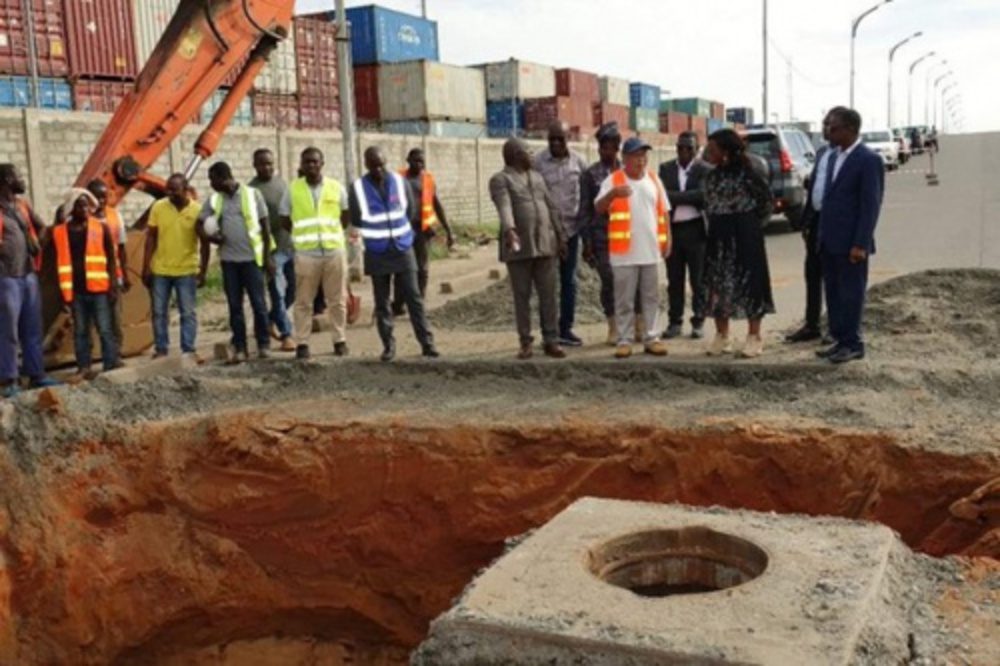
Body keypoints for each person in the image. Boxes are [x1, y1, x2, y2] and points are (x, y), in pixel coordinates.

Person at [349, 146, 438, 362]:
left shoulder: (399, 182)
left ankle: (427, 343)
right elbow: (356, 217)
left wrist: (398, 233)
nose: (378, 169)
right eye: (373, 166)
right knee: (382, 302)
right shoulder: (358, 188)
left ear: (386, 162)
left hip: (402, 247)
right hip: (377, 251)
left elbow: (410, 211)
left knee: (414, 297)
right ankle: (388, 346)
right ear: (366, 165)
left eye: (381, 165)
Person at [697, 129, 775, 358]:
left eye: (712, 149)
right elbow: (708, 205)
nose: (707, 153)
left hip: (746, 233)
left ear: (726, 151)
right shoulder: (711, 176)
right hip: (719, 235)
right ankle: (722, 335)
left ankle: (754, 337)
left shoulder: (750, 174)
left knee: (751, 283)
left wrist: (750, 226)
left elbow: (766, 204)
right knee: (718, 284)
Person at [816, 107, 884, 364]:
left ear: (850, 130)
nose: (828, 133)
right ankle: (839, 339)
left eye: (833, 128)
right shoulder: (833, 157)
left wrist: (860, 243)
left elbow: (870, 206)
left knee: (851, 294)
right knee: (833, 293)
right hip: (829, 241)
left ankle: (853, 343)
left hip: (851, 244)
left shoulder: (868, 160)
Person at [489, 138, 567, 360]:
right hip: (519, 247)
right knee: (522, 297)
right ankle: (525, 342)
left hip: (545, 245)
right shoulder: (500, 180)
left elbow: (551, 207)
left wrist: (561, 236)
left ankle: (551, 340)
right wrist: (509, 229)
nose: (533, 155)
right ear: (514, 155)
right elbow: (504, 206)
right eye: (528, 152)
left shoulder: (538, 178)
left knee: (549, 296)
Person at [595, 137, 671, 358]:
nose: (642, 161)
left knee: (651, 298)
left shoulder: (654, 180)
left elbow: (664, 212)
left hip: (650, 251)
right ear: (625, 158)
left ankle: (652, 337)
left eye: (644, 156)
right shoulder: (614, 180)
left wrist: (668, 240)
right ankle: (624, 339)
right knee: (624, 300)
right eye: (637, 156)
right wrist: (612, 194)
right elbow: (599, 208)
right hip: (624, 253)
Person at [279, 147, 350, 360]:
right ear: (301, 164)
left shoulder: (336, 188)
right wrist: (301, 237)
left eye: (315, 162)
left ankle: (339, 340)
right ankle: (302, 343)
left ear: (322, 163)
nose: (311, 165)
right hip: (306, 255)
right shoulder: (292, 190)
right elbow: (284, 218)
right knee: (303, 301)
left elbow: (345, 216)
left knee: (337, 300)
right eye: (307, 162)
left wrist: (333, 235)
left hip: (333, 251)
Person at [199, 161, 272, 363]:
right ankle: (240, 347)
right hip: (229, 262)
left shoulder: (252, 194)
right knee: (234, 306)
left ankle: (264, 344)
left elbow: (265, 228)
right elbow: (199, 224)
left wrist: (268, 258)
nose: (210, 183)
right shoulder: (214, 200)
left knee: (259, 304)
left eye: (212, 179)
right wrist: (212, 237)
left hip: (252, 260)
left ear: (222, 178)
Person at [786, 109, 844, 344]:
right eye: (824, 124)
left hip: (835, 224)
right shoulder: (821, 153)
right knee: (812, 273)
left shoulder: (846, 157)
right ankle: (812, 325)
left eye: (829, 124)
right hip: (816, 222)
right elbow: (815, 189)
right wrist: (806, 221)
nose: (824, 129)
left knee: (834, 278)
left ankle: (836, 327)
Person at [0, 164, 57, 396]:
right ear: (5, 180)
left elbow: (43, 227)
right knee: (8, 331)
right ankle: (8, 380)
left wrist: (38, 243)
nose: (22, 180)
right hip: (6, 278)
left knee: (32, 329)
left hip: (28, 275)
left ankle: (36, 374)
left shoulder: (22, 206)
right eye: (18, 176)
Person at [53, 189, 120, 379]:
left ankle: (110, 363)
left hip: (99, 288)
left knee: (105, 328)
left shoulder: (100, 227)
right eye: (79, 205)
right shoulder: (60, 232)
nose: (84, 209)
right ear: (71, 208)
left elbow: (111, 257)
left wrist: (113, 283)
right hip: (75, 290)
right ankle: (84, 366)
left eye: (86, 205)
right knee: (81, 331)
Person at [142, 173, 209, 361]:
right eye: (168, 189)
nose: (170, 193)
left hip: (186, 271)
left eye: (174, 189)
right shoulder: (159, 207)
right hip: (161, 270)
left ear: (185, 189)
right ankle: (161, 349)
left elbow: (204, 243)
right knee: (158, 312)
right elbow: (151, 238)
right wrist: (146, 267)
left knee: (187, 312)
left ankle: (188, 349)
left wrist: (202, 271)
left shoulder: (197, 211)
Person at [534, 121, 589, 347]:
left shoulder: (579, 162)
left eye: (560, 139)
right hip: (547, 232)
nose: (556, 143)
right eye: (552, 139)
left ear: (569, 138)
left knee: (570, 282)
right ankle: (549, 331)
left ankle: (565, 328)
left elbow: (586, 194)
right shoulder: (538, 163)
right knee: (547, 283)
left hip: (571, 232)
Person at [659, 131, 711, 340]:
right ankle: (675, 322)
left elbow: (703, 196)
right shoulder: (666, 169)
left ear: (696, 150)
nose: (684, 152)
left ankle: (698, 320)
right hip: (674, 230)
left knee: (698, 280)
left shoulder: (705, 170)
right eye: (680, 147)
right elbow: (662, 196)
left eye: (688, 148)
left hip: (696, 230)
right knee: (675, 279)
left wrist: (675, 197)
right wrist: (687, 198)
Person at [580, 123, 627, 346]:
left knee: (630, 279)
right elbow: (585, 210)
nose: (605, 152)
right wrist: (586, 242)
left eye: (609, 147)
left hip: (627, 235)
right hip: (601, 236)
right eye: (602, 148)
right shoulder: (590, 174)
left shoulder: (628, 172)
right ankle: (613, 326)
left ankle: (636, 323)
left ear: (617, 148)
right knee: (608, 279)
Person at [393, 147, 454, 316]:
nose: (419, 164)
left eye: (422, 161)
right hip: (402, 230)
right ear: (408, 160)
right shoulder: (398, 179)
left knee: (422, 269)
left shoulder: (427, 179)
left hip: (422, 230)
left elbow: (437, 204)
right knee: (402, 268)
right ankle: (398, 303)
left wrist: (448, 230)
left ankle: (418, 303)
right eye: (416, 161)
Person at [249, 148, 295, 352]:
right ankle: (287, 334)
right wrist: (266, 255)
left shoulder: (282, 184)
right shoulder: (251, 191)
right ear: (255, 165)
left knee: (293, 290)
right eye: (262, 164)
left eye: (269, 163)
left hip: (289, 245)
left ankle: (269, 320)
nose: (266, 167)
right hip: (271, 250)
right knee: (277, 292)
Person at [86, 179, 130, 350]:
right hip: (90, 279)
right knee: (91, 322)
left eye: (104, 197)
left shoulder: (114, 216)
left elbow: (121, 248)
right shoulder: (83, 218)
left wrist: (124, 275)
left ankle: (116, 353)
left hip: (113, 277)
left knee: (114, 319)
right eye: (97, 197)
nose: (101, 201)